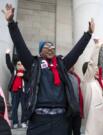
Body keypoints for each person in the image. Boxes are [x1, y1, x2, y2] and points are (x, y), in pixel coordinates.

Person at [3, 3, 94, 135]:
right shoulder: (34, 64)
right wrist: (11, 23)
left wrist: (88, 34)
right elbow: (20, 45)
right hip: (39, 121)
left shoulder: (61, 64)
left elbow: (76, 52)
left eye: (52, 48)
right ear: (40, 52)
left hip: (61, 121)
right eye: (47, 48)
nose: (50, 50)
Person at [81, 39, 103, 135]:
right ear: (88, 71)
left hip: (102, 127)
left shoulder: (96, 82)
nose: (97, 71)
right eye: (95, 69)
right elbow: (92, 63)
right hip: (92, 128)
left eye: (97, 69)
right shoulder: (86, 81)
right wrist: (97, 46)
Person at [5, 49, 27, 128]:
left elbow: (29, 79)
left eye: (21, 64)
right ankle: (15, 122)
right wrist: (7, 54)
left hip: (23, 91)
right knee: (14, 107)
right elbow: (8, 64)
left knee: (24, 107)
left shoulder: (26, 72)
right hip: (15, 91)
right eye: (18, 64)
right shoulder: (14, 71)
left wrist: (23, 75)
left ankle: (24, 122)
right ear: (16, 65)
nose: (19, 65)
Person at [68, 67, 83, 135]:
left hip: (77, 110)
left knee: (77, 131)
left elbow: (79, 94)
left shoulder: (76, 77)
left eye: (73, 65)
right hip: (67, 111)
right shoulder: (63, 76)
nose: (73, 66)